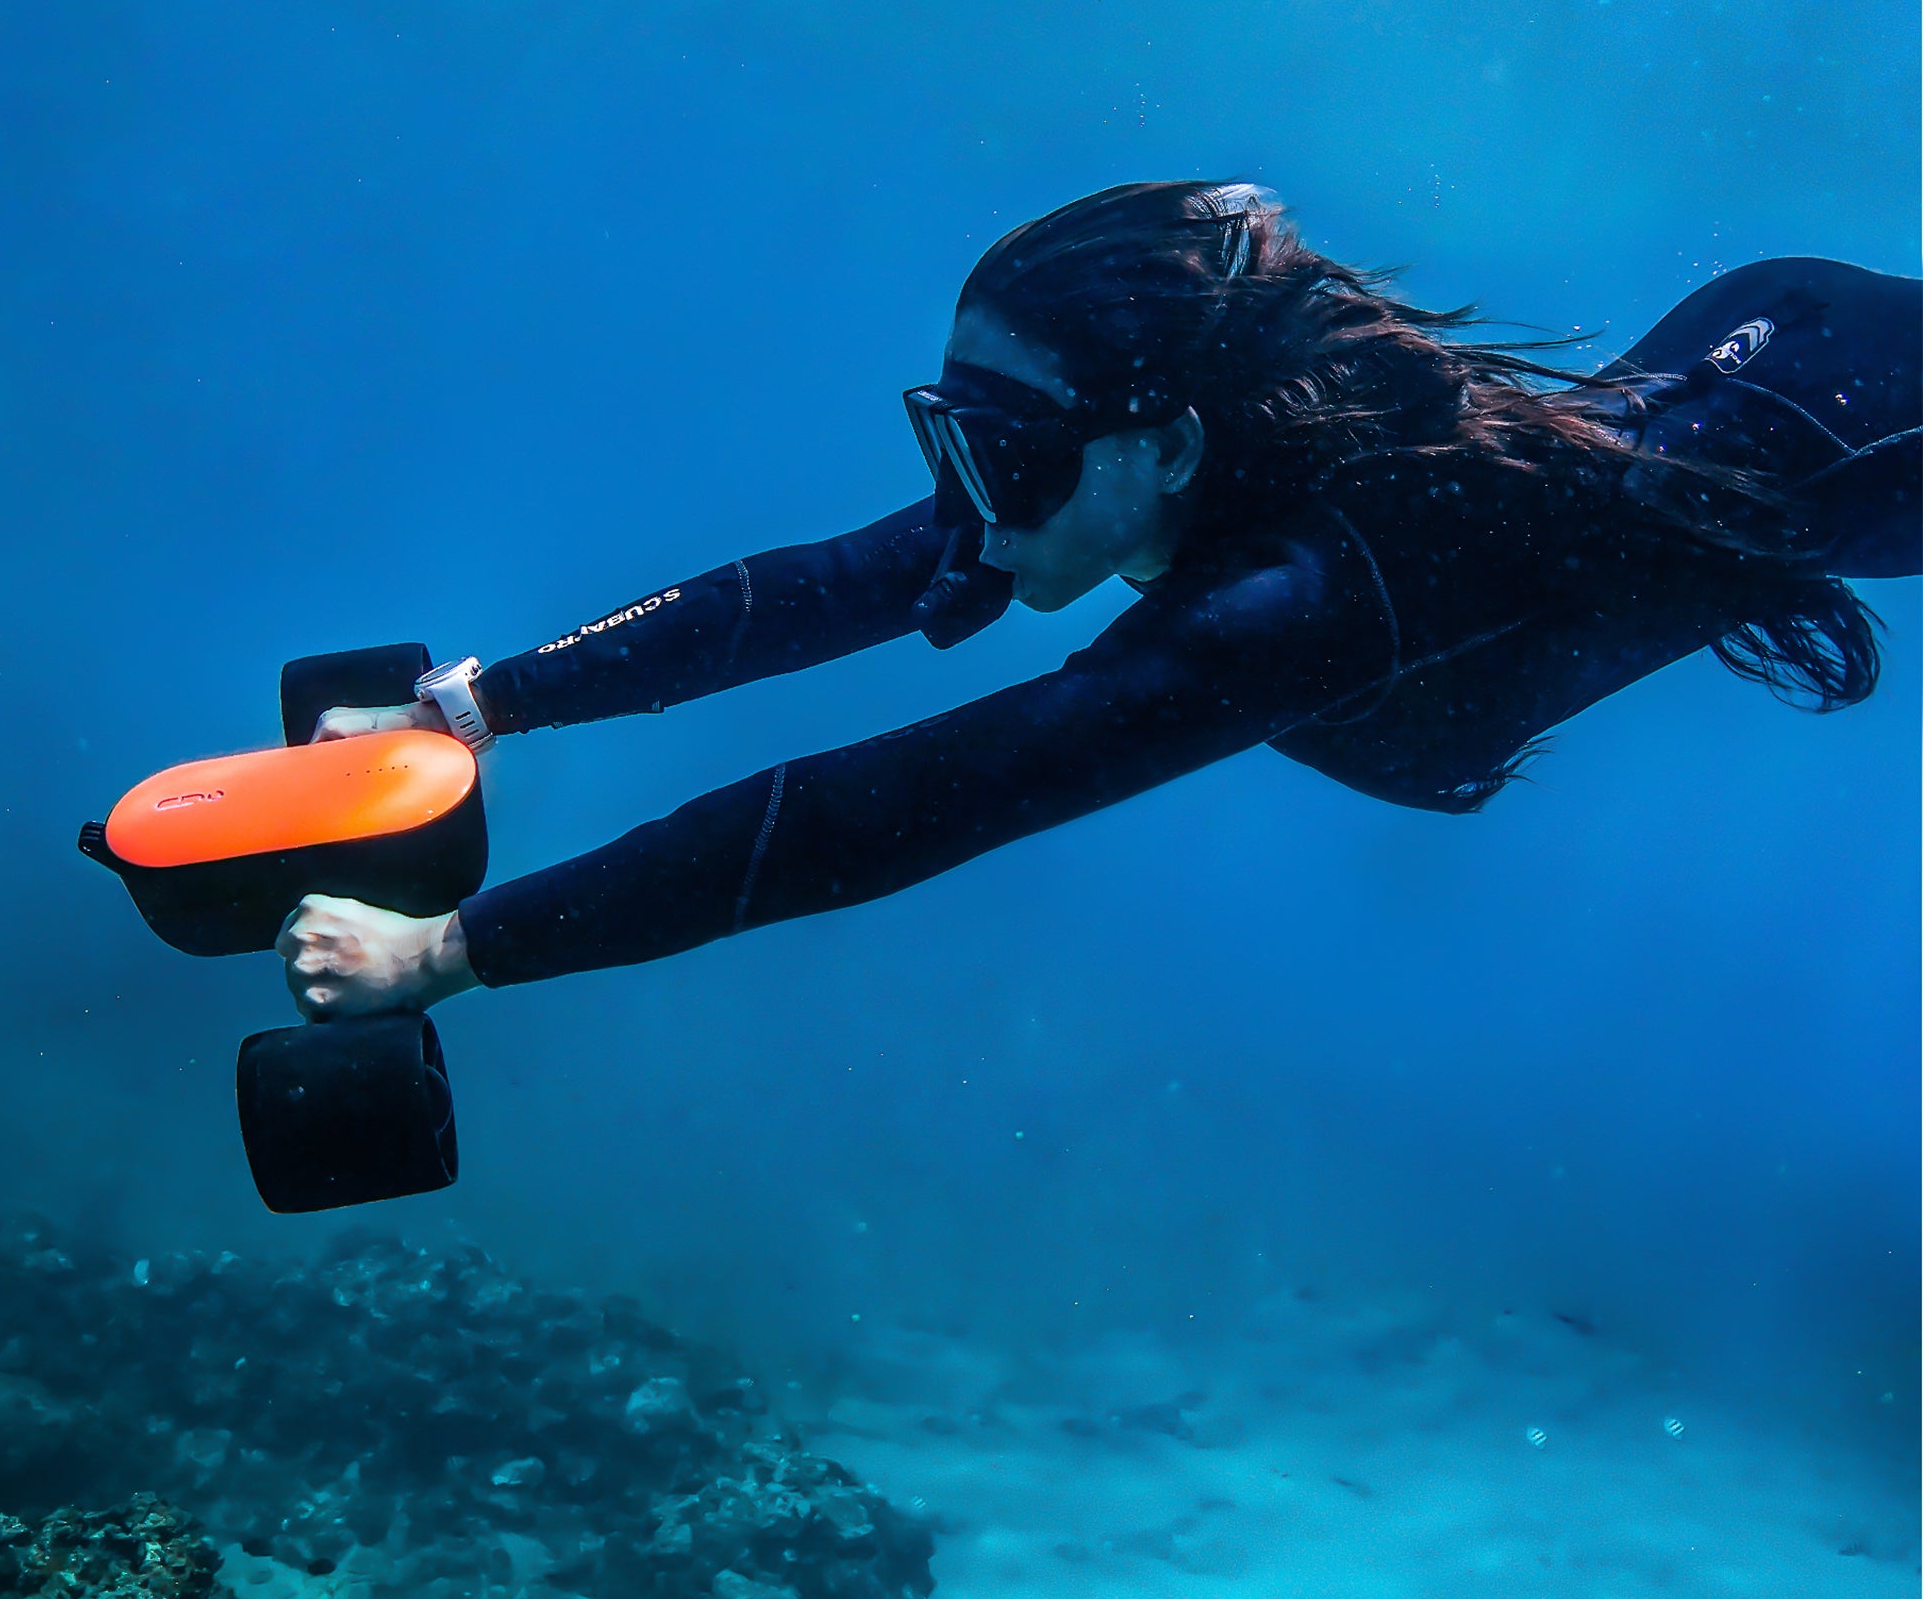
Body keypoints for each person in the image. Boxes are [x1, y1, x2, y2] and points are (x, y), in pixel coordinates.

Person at [277, 182, 1920, 1021]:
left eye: (1005, 448)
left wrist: (447, 956)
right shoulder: (1123, 472)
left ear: (1166, 444)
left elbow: (908, 802)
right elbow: (825, 589)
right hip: (1763, 333)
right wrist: (467, 712)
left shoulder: (1293, 602)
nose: (965, 497)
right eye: (955, 437)